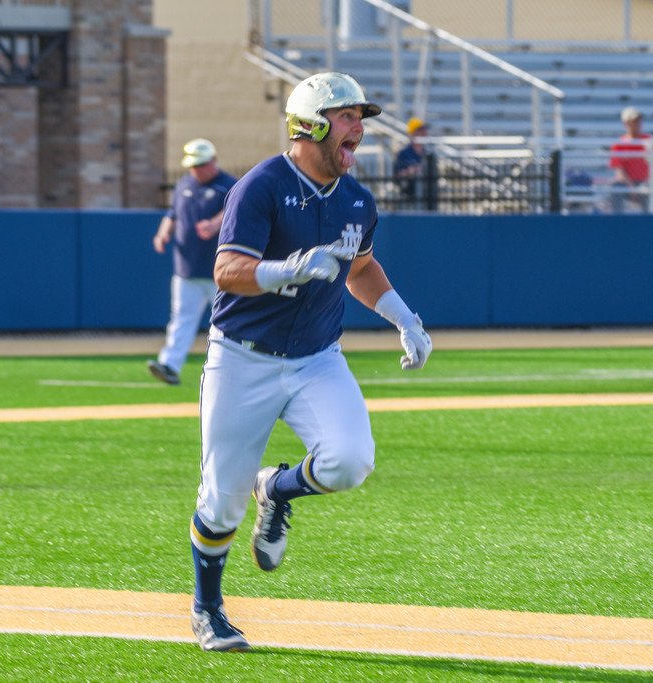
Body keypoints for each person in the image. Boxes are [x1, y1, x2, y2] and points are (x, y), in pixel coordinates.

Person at [187, 72, 433, 652]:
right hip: (242, 358)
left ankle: (276, 489)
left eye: (360, 119)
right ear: (310, 122)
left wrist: (403, 316)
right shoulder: (261, 186)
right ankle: (207, 607)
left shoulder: (356, 198)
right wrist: (287, 269)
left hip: (317, 358)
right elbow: (227, 271)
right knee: (220, 499)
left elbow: (361, 268)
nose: (360, 130)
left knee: (350, 461)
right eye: (348, 117)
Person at [147, 138, 238, 385]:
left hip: (220, 271)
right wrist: (163, 233)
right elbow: (173, 215)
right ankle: (169, 365)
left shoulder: (229, 185)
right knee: (181, 318)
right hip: (186, 268)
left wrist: (214, 223)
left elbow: (234, 212)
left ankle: (233, 370)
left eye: (201, 165)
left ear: (213, 161)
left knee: (227, 321)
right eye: (193, 165)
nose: (196, 170)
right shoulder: (183, 184)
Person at [608, 106, 653, 213]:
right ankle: (616, 220)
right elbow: (619, 172)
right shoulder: (618, 145)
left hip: (645, 182)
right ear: (626, 123)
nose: (637, 123)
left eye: (638, 120)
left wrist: (648, 182)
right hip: (627, 184)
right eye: (634, 121)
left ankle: (649, 220)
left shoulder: (649, 142)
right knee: (616, 188)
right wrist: (632, 189)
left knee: (648, 192)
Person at [393, 117, 429, 205]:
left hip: (427, 197)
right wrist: (411, 171)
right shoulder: (404, 153)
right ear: (413, 134)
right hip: (409, 198)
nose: (424, 134)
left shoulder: (427, 153)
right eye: (420, 131)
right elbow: (397, 175)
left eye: (424, 131)